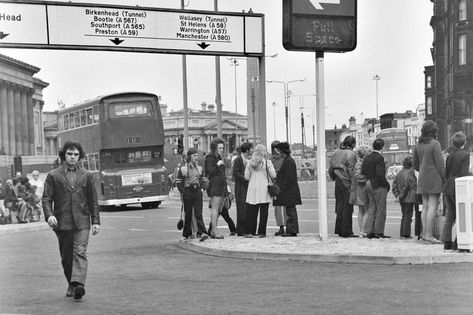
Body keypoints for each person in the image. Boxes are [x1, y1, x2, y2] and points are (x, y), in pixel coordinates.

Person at [42, 141, 100, 300]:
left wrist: (95, 221)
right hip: (62, 222)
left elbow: (92, 200)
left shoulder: (87, 176)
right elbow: (46, 199)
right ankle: (72, 283)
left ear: (79, 156)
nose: (73, 157)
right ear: (64, 155)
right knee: (67, 257)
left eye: (75, 154)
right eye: (69, 154)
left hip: (82, 222)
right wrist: (49, 215)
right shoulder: (53, 175)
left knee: (80, 252)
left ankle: (79, 285)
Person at [413, 120, 445, 244]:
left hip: (422, 179)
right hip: (434, 179)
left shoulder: (418, 145)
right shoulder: (435, 144)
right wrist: (444, 177)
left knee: (425, 207)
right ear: (434, 131)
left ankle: (424, 234)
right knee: (433, 206)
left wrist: (423, 169)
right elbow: (440, 164)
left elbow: (415, 164)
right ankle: (429, 235)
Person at [441, 131, 470, 250]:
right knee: (462, 215)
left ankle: (447, 242)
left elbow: (446, 173)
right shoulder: (465, 155)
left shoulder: (450, 156)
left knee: (450, 216)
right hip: (459, 186)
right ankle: (459, 241)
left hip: (448, 186)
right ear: (464, 142)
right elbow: (464, 174)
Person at [176, 148, 209, 241]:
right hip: (188, 191)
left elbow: (203, 179)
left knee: (198, 213)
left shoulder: (199, 168)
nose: (196, 157)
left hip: (197, 191)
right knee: (188, 213)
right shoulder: (183, 169)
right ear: (190, 156)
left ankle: (202, 232)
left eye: (197, 155)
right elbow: (178, 181)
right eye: (194, 156)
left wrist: (202, 188)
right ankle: (188, 233)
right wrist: (183, 191)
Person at [244, 144, 276, 238]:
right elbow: (273, 175)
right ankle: (262, 232)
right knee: (263, 212)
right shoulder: (267, 162)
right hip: (264, 189)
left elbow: (246, 177)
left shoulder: (249, 163)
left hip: (252, 189)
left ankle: (250, 231)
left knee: (251, 212)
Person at [362, 138, 391, 239]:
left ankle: (370, 231)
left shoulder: (367, 157)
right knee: (380, 209)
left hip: (368, 183)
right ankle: (379, 232)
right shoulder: (379, 158)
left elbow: (363, 171)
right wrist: (387, 185)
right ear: (382, 147)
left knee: (371, 209)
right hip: (377, 184)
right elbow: (380, 174)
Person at [329, 135, 357, 237]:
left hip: (338, 182)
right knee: (348, 208)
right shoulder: (352, 154)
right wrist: (352, 184)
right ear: (353, 144)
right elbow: (351, 170)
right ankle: (347, 231)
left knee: (339, 207)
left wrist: (335, 178)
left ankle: (339, 230)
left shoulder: (336, 153)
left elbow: (330, 170)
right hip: (347, 182)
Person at [273, 142, 302, 237]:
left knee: (290, 211)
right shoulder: (289, 160)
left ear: (283, 151)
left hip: (290, 191)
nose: (278, 153)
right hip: (291, 191)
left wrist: (281, 187)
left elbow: (288, 178)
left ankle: (292, 230)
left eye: (279, 151)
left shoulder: (288, 161)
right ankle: (291, 230)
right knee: (290, 211)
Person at [205, 138, 226, 239]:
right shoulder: (210, 157)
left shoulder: (219, 157)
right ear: (215, 148)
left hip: (221, 185)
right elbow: (210, 171)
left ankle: (214, 230)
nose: (222, 149)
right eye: (220, 148)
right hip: (215, 185)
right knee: (215, 208)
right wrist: (218, 165)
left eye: (222, 147)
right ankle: (214, 231)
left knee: (218, 209)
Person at [392, 156, 418, 239]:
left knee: (404, 216)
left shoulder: (400, 173)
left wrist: (397, 196)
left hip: (402, 197)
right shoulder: (410, 173)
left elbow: (394, 186)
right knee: (408, 216)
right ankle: (406, 234)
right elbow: (407, 187)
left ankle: (402, 233)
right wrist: (400, 196)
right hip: (409, 197)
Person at [349, 145, 372, 238]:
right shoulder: (360, 164)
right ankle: (363, 231)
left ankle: (362, 231)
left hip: (358, 189)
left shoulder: (358, 163)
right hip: (362, 188)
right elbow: (358, 176)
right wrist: (368, 178)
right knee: (366, 210)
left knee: (361, 210)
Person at [232, 142, 252, 236]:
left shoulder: (250, 160)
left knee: (248, 208)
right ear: (247, 150)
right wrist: (245, 179)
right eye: (250, 149)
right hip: (241, 187)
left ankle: (247, 229)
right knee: (241, 208)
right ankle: (240, 230)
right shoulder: (238, 160)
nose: (251, 151)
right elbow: (236, 173)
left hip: (249, 187)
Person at [270, 140, 287, 236]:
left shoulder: (282, 159)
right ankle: (281, 226)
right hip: (276, 185)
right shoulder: (271, 159)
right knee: (278, 207)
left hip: (279, 185)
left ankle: (283, 226)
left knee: (282, 207)